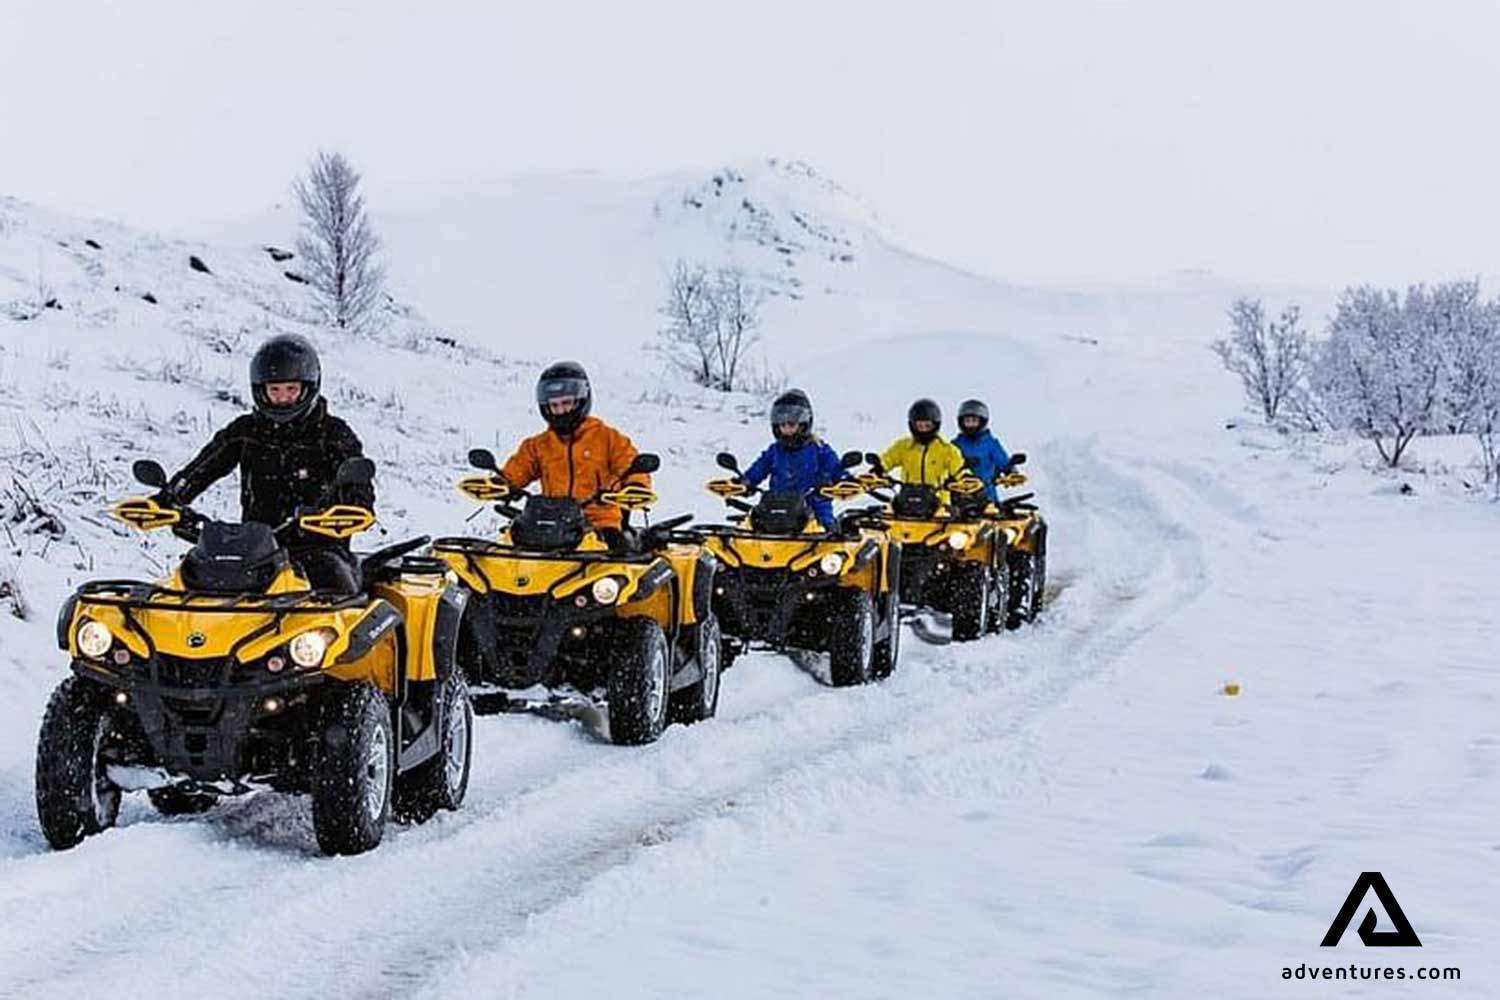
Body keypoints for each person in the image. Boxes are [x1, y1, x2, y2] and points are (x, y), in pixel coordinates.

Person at [157, 333, 373, 593]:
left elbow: (358, 484)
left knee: (336, 591)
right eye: (275, 390)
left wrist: (349, 509)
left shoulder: (334, 434)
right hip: (256, 552)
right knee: (191, 584)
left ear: (309, 388)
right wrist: (170, 498)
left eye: (291, 390)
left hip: (318, 549)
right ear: (261, 390)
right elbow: (203, 468)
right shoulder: (246, 431)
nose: (283, 398)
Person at [498, 361, 649, 548]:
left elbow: (630, 464)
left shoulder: (607, 438)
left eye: (566, 403)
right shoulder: (538, 445)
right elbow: (517, 470)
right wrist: (501, 484)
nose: (561, 411)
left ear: (581, 400)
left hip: (600, 525)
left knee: (620, 564)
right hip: (552, 526)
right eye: (554, 405)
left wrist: (636, 486)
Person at [741, 389, 849, 530]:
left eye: (791, 425)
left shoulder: (819, 449)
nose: (786, 429)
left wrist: (846, 481)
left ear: (804, 423)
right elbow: (758, 469)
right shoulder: (775, 451)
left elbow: (836, 469)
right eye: (782, 425)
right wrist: (745, 481)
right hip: (778, 513)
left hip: (815, 513)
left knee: (829, 539)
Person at [879, 398, 966, 491]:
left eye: (927, 426)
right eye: (920, 426)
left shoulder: (947, 449)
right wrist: (878, 469)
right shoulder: (903, 446)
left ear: (935, 425)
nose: (924, 430)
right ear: (912, 426)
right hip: (907, 499)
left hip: (938, 500)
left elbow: (959, 469)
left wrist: (965, 478)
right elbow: (888, 460)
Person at [951, 398, 1011, 502]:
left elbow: (1003, 461)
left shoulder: (991, 444)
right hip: (960, 494)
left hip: (987, 494)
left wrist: (1010, 470)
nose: (970, 425)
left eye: (974, 421)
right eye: (967, 421)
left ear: (982, 422)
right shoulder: (955, 444)